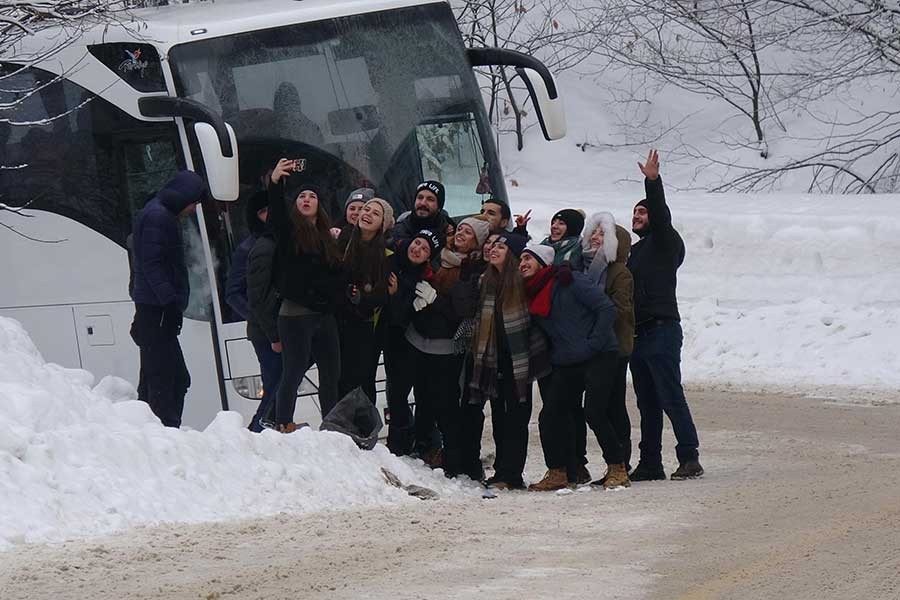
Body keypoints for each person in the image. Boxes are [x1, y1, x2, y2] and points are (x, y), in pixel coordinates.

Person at [519, 243, 627, 490]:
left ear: (543, 262)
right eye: (521, 260)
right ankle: (558, 472)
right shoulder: (531, 292)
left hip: (600, 354)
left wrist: (594, 343)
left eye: (528, 258)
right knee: (549, 416)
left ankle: (617, 467)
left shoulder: (570, 281)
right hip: (567, 360)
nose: (522, 263)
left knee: (594, 412)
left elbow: (606, 308)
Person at [628, 149, 703, 480]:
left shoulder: (662, 242)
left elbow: (660, 215)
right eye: (634, 212)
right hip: (638, 333)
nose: (637, 215)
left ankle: (689, 457)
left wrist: (652, 183)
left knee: (670, 395)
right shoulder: (634, 252)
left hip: (662, 329)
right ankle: (650, 463)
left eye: (642, 211)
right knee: (647, 403)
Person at [267, 158, 346, 433]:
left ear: (319, 205)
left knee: (331, 373)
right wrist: (275, 182)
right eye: (302, 196)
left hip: (324, 315)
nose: (307, 199)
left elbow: (337, 274)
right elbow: (276, 213)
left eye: (312, 196)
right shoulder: (288, 232)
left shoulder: (328, 236)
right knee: (294, 370)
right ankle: (283, 422)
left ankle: (332, 424)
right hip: (295, 315)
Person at [469, 233, 551, 490]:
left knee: (516, 417)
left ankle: (511, 472)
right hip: (493, 359)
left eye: (501, 247)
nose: (493, 250)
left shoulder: (522, 283)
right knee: (499, 417)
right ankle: (502, 471)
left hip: (519, 360)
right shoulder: (486, 281)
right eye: (493, 246)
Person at [128, 171, 205, 428]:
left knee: (157, 376)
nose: (193, 210)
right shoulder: (159, 217)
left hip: (155, 308)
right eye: (194, 203)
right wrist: (170, 302)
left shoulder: (159, 214)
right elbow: (153, 265)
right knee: (170, 378)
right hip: (157, 309)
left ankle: (156, 428)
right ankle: (166, 430)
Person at [582, 212, 636, 483]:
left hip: (614, 348)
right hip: (592, 347)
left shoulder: (619, 272)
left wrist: (590, 309)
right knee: (610, 406)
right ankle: (618, 463)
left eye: (602, 234)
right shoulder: (585, 266)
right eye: (594, 231)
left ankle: (619, 463)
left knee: (605, 407)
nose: (595, 237)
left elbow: (620, 311)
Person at [225, 190, 283, 432]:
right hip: (264, 331)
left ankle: (272, 431)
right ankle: (257, 431)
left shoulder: (286, 239)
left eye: (271, 209)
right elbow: (232, 292)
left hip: (288, 325)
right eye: (262, 211)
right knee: (274, 383)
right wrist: (258, 316)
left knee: (283, 383)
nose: (268, 215)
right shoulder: (247, 248)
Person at [382, 230, 441, 455]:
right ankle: (399, 442)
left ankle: (412, 442)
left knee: (406, 391)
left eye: (425, 249)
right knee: (396, 392)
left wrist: (398, 296)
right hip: (387, 337)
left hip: (409, 341)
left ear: (428, 257)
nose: (418, 249)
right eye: (417, 243)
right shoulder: (390, 258)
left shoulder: (424, 278)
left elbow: (402, 315)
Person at [336, 197, 395, 403]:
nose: (367, 214)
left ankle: (364, 431)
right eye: (366, 210)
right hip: (336, 325)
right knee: (337, 382)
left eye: (375, 213)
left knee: (362, 383)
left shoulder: (386, 256)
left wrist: (361, 298)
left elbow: (381, 297)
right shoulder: (341, 242)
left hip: (364, 329)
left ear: (383, 224)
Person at [390, 181, 450, 260]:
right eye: (420, 197)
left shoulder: (449, 232)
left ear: (439, 207)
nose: (423, 203)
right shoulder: (399, 231)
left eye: (430, 199)